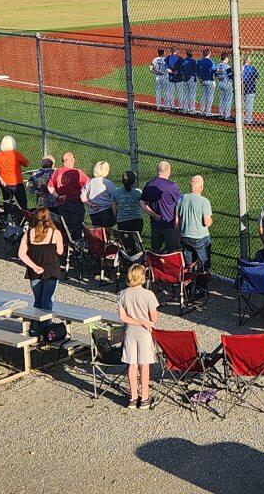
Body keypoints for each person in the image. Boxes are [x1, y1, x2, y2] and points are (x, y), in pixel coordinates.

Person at [117, 264, 159, 410]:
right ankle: (145, 397)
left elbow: (123, 317)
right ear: (143, 277)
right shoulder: (148, 295)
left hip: (130, 333)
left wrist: (136, 321)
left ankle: (133, 397)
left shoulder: (122, 294)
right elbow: (154, 318)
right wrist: (143, 321)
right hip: (145, 334)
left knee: (132, 365)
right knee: (144, 365)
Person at [17, 208, 64, 311]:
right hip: (51, 270)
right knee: (47, 300)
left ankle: (35, 326)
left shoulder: (28, 234)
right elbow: (60, 251)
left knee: (37, 301)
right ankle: (46, 326)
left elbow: (21, 254)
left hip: (34, 270)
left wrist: (35, 267)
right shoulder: (55, 233)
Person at [177, 175, 212, 297]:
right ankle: (199, 290)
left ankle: (186, 289)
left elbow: (177, 219)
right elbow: (207, 222)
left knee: (188, 264)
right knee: (203, 263)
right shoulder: (204, 201)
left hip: (185, 236)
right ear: (201, 187)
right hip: (200, 237)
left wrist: (179, 233)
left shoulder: (181, 198)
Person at [140, 161, 181, 252]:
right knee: (172, 251)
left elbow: (142, 203)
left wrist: (153, 214)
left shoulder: (149, 185)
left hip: (155, 224)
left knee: (155, 250)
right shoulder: (171, 186)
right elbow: (180, 202)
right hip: (169, 224)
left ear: (157, 170)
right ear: (169, 171)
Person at [48, 152, 89, 240]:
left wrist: (58, 196)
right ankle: (76, 247)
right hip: (76, 203)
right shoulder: (77, 172)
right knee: (77, 227)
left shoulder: (57, 171)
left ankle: (66, 245)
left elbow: (50, 187)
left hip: (62, 204)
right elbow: (89, 184)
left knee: (65, 228)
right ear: (72, 160)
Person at [0, 135, 29, 213]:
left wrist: (0, 179)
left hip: (4, 183)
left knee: (7, 203)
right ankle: (25, 219)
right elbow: (26, 163)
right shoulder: (16, 154)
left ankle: (8, 219)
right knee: (23, 203)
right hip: (17, 183)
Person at [81, 161, 116, 228]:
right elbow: (114, 198)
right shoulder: (108, 183)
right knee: (107, 232)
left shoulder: (89, 182)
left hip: (94, 213)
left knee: (98, 232)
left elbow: (83, 198)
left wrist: (91, 205)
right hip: (106, 211)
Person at [197, 50, 217, 116]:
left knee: (203, 96)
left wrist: (200, 78)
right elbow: (215, 70)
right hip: (210, 80)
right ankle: (208, 112)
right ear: (209, 54)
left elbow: (197, 72)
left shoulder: (199, 61)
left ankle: (202, 110)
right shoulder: (210, 62)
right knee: (210, 96)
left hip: (203, 81)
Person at [216, 53, 234, 121]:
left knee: (221, 99)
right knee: (228, 100)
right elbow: (231, 77)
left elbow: (216, 76)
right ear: (226, 58)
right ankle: (227, 115)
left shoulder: (218, 66)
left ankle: (220, 114)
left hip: (220, 84)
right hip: (227, 84)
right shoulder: (227, 67)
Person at [241, 55, 259, 125]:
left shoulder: (240, 67)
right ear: (249, 61)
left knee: (242, 103)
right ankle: (248, 119)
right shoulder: (252, 68)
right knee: (250, 104)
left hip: (241, 87)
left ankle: (241, 118)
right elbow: (257, 76)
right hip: (251, 87)